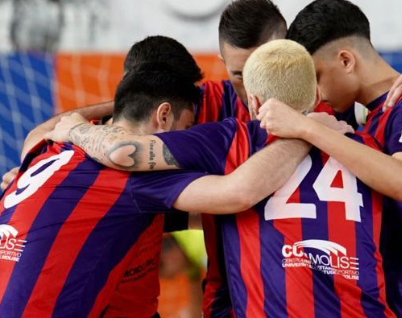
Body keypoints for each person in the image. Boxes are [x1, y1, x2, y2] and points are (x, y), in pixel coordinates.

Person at [46, 40, 402, 317]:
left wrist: (74, 130)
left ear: (250, 100)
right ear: (315, 94)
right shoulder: (366, 151)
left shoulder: (230, 139)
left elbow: (125, 152)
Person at [0, 64, 316, 317]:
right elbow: (239, 193)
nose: (186, 139)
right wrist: (305, 132)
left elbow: (42, 130)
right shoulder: (128, 175)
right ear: (163, 115)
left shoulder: (48, 147)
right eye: (187, 129)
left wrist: (118, 103)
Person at [271, 0, 402, 318]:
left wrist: (308, 129)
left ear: (346, 60)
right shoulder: (373, 111)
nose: (316, 94)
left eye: (317, 77)